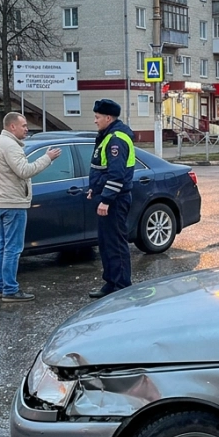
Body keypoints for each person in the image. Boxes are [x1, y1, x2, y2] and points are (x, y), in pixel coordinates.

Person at [0, 113, 59, 301]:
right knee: (13, 248)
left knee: (3, 245)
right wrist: (47, 158)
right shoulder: (10, 145)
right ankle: (10, 290)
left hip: (1, 201)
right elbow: (25, 170)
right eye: (24, 125)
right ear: (12, 127)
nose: (27, 129)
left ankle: (0, 286)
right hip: (12, 202)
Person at [86, 99, 135, 298]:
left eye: (97, 117)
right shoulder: (107, 136)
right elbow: (101, 169)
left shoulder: (116, 139)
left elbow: (117, 174)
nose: (95, 121)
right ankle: (111, 282)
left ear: (108, 118)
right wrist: (94, 189)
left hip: (116, 200)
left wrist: (106, 199)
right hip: (107, 197)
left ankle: (122, 286)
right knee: (106, 243)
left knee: (115, 243)